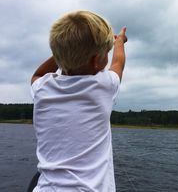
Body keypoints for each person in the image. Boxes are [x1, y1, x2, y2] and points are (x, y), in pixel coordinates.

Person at [30, 10, 127, 191]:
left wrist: (64, 52)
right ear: (97, 60)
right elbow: (118, 63)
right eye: (105, 53)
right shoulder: (104, 85)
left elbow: (37, 74)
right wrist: (119, 41)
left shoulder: (42, 88)